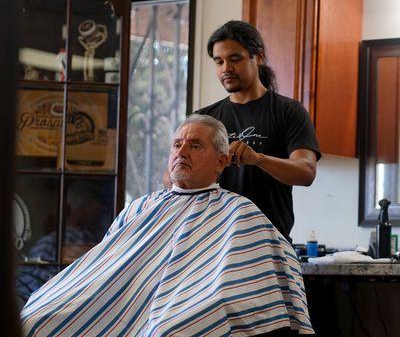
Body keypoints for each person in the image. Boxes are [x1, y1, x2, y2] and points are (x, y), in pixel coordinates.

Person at [21, 115, 314, 336]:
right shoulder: (140, 207)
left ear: (221, 161)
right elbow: (104, 266)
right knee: (38, 318)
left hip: (180, 312)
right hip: (120, 304)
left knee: (170, 331)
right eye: (177, 144)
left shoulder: (239, 212)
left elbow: (242, 287)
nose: (182, 151)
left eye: (195, 145)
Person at [197, 21, 321, 241]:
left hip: (270, 244)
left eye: (235, 59)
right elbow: (173, 177)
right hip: (213, 244)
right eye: (219, 62)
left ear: (259, 57)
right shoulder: (203, 119)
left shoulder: (288, 111)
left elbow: (306, 172)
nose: (226, 68)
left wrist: (258, 159)